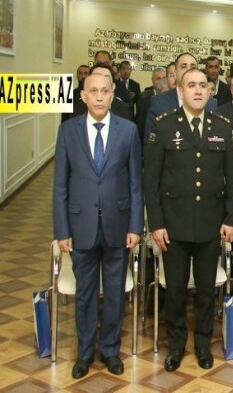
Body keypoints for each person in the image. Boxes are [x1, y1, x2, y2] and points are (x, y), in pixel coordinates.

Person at [144, 68, 233, 372]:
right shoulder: (164, 125)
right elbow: (151, 182)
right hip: (173, 226)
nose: (198, 91)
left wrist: (231, 218)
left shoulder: (222, 126)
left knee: (206, 291)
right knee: (174, 290)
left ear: (210, 91)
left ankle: (202, 344)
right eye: (191, 85)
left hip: (211, 225)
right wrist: (156, 223)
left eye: (203, 86)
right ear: (181, 91)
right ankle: (176, 345)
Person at [53, 72, 143, 379]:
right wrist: (62, 230)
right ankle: (84, 353)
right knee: (85, 294)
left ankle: (109, 350)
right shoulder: (68, 131)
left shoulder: (128, 130)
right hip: (81, 227)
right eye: (94, 91)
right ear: (83, 96)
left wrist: (135, 226)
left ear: (113, 93)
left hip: (118, 226)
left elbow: (135, 184)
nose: (100, 96)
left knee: (115, 294)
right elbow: (60, 186)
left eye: (105, 91)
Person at [145, 52, 217, 139]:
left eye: (193, 67)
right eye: (184, 66)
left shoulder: (211, 104)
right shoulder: (159, 102)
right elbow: (151, 142)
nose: (188, 70)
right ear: (175, 74)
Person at [135, 67, 168, 141]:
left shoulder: (172, 96)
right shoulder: (144, 98)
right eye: (158, 79)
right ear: (153, 81)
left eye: (164, 78)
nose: (162, 81)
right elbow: (140, 126)